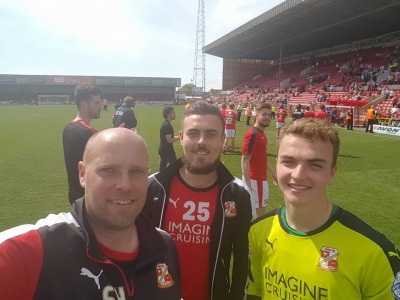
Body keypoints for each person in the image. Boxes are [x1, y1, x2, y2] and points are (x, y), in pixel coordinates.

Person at [0, 128, 182, 300]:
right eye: (108, 170)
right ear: (82, 174)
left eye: (137, 171)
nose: (125, 185)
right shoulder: (27, 252)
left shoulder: (163, 246)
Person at [247, 118, 400, 300]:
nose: (298, 175)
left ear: (332, 173)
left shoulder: (376, 253)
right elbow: (255, 292)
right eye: (288, 161)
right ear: (277, 166)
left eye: (315, 165)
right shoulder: (257, 231)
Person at [143, 102, 252, 300]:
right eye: (193, 133)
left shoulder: (238, 194)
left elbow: (243, 258)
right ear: (182, 137)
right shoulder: (152, 187)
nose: (201, 141)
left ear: (222, 140)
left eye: (211, 134)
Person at [63, 84, 102, 205]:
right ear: (84, 104)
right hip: (88, 197)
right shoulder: (88, 132)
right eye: (96, 103)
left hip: (74, 194)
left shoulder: (68, 128)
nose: (101, 106)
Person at [242, 102, 277, 218]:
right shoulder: (254, 134)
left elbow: (262, 158)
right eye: (264, 114)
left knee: (256, 213)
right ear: (256, 115)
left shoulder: (261, 133)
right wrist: (248, 185)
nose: (267, 117)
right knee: (259, 215)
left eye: (269, 115)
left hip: (259, 179)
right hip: (255, 180)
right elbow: (245, 160)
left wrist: (273, 172)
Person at [159, 106, 179, 171]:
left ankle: (158, 180)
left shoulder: (165, 124)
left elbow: (170, 138)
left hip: (163, 150)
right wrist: (180, 137)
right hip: (168, 151)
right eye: (173, 113)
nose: (175, 114)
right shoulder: (167, 125)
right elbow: (170, 140)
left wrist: (179, 136)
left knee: (162, 169)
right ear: (169, 114)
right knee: (176, 168)